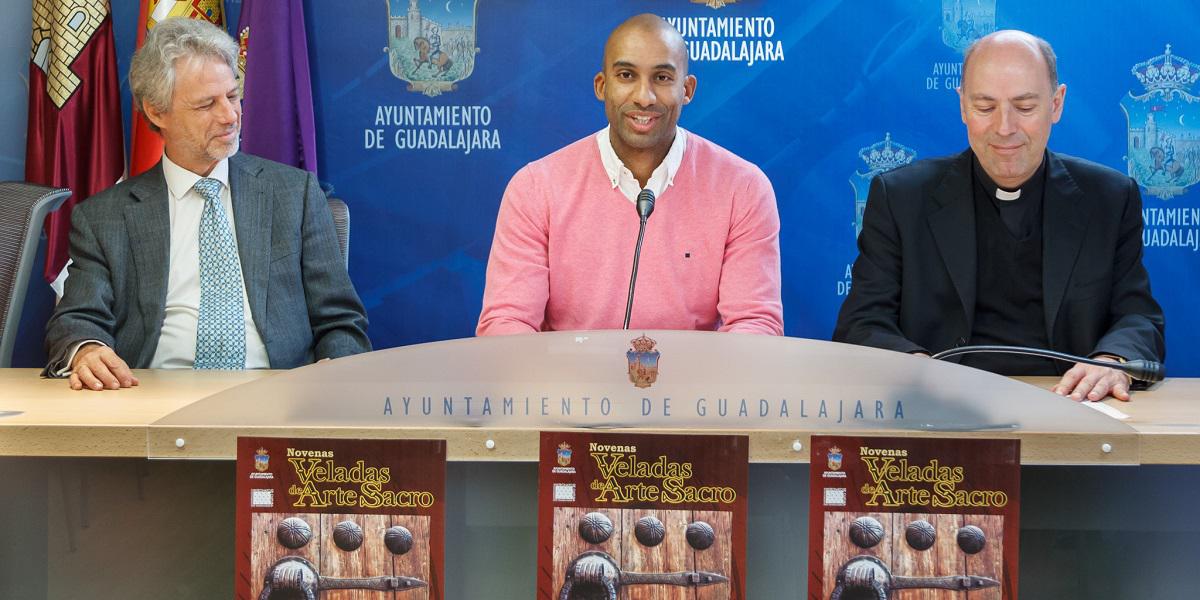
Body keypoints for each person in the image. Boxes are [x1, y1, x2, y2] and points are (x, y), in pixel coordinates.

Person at [834, 30, 1164, 402]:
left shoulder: (1109, 197)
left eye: (1024, 107)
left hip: (1070, 405)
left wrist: (1111, 361)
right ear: (962, 106)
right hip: (941, 411)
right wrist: (916, 368)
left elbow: (1137, 317)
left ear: (1056, 104)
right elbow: (861, 323)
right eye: (985, 107)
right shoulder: (901, 198)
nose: (1005, 128)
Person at [43, 17, 370, 391]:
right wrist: (87, 351)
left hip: (279, 397)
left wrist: (334, 373)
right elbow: (77, 319)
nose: (230, 116)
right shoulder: (104, 217)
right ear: (156, 111)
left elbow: (342, 322)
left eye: (232, 96)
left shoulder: (295, 195)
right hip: (151, 398)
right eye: (206, 105)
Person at [476, 14, 783, 336]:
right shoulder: (535, 188)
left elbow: (754, 324)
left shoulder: (743, 188)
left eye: (662, 78)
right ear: (602, 85)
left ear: (687, 89)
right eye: (626, 75)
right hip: (566, 370)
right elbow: (506, 323)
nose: (644, 97)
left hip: (696, 371)